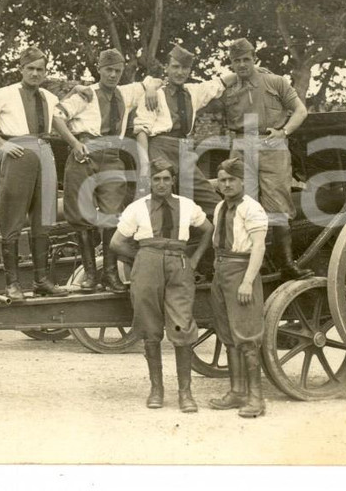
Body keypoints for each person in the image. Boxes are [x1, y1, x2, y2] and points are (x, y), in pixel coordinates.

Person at [51, 48, 161, 294]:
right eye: (108, 70)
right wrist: (74, 143)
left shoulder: (127, 92)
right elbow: (56, 116)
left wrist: (152, 89)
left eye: (117, 71)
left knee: (113, 214)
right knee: (81, 214)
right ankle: (91, 274)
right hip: (84, 154)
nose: (113, 75)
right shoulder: (86, 94)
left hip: (112, 157)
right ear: (99, 70)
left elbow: (153, 80)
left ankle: (110, 273)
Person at [110, 158, 214, 413]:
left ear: (173, 180)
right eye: (156, 179)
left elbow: (209, 229)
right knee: (150, 326)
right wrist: (141, 258)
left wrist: (195, 259)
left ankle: (185, 393)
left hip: (179, 265)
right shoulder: (137, 208)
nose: (162, 184)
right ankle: (156, 389)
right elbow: (116, 242)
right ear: (150, 182)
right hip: (147, 264)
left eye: (166, 179)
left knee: (182, 324)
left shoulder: (187, 205)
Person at [0, 46, 68, 302]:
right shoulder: (6, 93)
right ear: (21, 69)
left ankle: (41, 280)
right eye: (30, 68)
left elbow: (62, 117)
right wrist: (0, 143)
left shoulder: (49, 97)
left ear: (45, 72)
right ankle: (12, 284)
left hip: (44, 151)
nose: (35, 73)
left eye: (40, 69)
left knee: (44, 219)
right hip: (18, 153)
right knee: (12, 219)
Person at [222, 37, 311, 281]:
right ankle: (246, 265)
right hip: (241, 145)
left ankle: (286, 265)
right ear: (231, 63)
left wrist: (284, 132)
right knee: (241, 204)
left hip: (271, 146)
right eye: (237, 61)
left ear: (255, 59)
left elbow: (301, 111)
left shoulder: (275, 82)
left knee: (278, 205)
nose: (242, 64)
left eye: (246, 59)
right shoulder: (227, 86)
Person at [133, 44, 238, 217]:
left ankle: (222, 230)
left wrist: (253, 71)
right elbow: (141, 130)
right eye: (175, 67)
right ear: (166, 68)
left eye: (184, 68)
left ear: (189, 70)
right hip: (160, 150)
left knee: (213, 201)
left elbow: (221, 83)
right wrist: (145, 166)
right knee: (162, 206)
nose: (180, 72)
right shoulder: (155, 94)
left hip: (184, 150)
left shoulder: (193, 92)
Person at [207, 157, 268, 418]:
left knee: (246, 336)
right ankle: (237, 392)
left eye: (232, 179)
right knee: (228, 335)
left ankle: (256, 398)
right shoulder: (220, 207)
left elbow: (259, 247)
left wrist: (247, 281)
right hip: (221, 271)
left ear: (242, 181)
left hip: (242, 270)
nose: (227, 184)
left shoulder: (252, 208)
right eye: (222, 180)